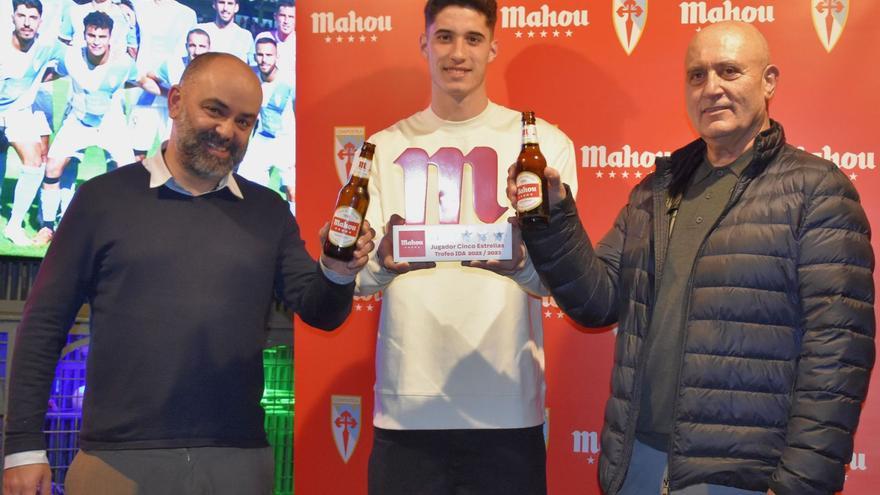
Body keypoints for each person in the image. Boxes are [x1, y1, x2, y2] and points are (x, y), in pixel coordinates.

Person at [514, 21, 874, 495]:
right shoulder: (656, 190)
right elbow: (597, 300)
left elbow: (837, 352)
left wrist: (800, 485)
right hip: (637, 463)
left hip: (742, 477)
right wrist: (550, 216)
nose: (712, 88)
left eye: (729, 71)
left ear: (769, 82)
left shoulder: (817, 190)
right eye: (697, 75)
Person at [2, 52, 375, 495]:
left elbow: (321, 311)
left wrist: (336, 268)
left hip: (237, 461)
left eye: (244, 122)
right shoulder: (102, 199)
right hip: (117, 460)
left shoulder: (268, 211)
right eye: (215, 111)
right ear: (176, 101)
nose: (227, 132)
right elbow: (45, 322)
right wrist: (23, 446)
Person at [355, 1, 578, 494]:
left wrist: (519, 266)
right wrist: (384, 265)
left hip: (507, 412)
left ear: (493, 46)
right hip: (406, 412)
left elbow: (564, 281)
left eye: (473, 39)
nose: (458, 53)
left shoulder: (545, 145)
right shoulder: (382, 147)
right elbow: (349, 277)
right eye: (445, 37)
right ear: (424, 44)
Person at [34, 11, 139, 245]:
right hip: (78, 120)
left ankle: (124, 228)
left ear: (110, 37)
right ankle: (48, 227)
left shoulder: (123, 63)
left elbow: (139, 80)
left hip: (110, 122)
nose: (96, 41)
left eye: (102, 36)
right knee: (52, 167)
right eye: (92, 35)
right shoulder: (71, 57)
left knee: (130, 175)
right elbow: (53, 73)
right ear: (84, 35)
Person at [0, 0, 65, 245]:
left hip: (19, 111)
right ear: (13, 17)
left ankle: (14, 225)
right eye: (22, 16)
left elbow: (71, 64)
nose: (27, 22)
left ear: (40, 21)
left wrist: (40, 79)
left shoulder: (47, 47)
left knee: (35, 162)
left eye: (33, 17)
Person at [128, 0, 197, 161]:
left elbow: (194, 52)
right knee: (137, 151)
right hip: (144, 89)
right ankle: (137, 186)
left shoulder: (188, 14)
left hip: (175, 94)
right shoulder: (138, 6)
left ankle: (166, 186)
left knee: (174, 153)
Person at [237, 37, 295, 213]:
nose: (264, 59)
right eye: (260, 55)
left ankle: (295, 231)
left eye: (269, 55)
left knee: (292, 192)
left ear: (277, 57)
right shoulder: (251, 80)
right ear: (255, 56)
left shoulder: (290, 81)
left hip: (287, 141)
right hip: (262, 140)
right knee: (245, 189)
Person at [255, 0, 294, 75]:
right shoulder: (263, 37)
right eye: (282, 15)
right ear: (275, 17)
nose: (286, 21)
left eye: (291, 17)